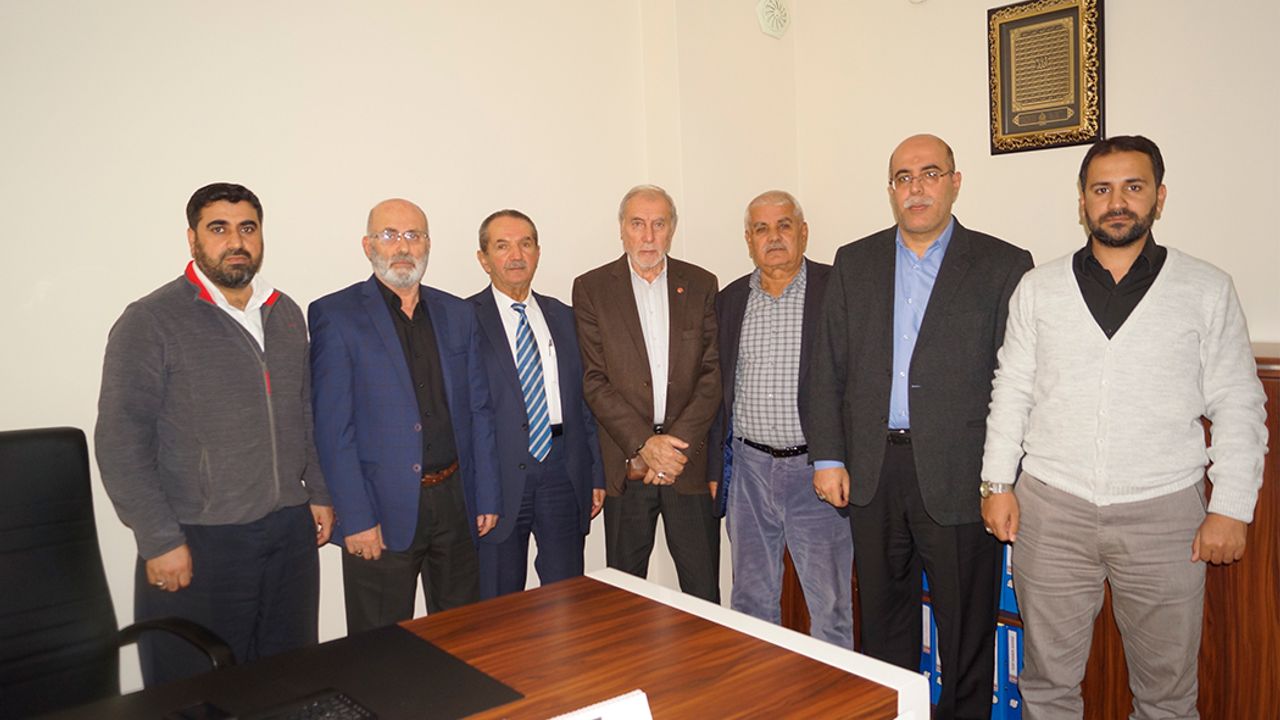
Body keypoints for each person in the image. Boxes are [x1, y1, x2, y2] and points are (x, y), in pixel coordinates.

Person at [980, 135, 1268, 719]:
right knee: (1046, 686)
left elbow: (1239, 401)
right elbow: (1011, 390)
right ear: (1082, 201)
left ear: (1159, 197)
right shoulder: (1039, 289)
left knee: (1167, 696)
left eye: (1133, 187)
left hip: (1164, 515)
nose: (1117, 202)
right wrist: (996, 483)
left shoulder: (1206, 289)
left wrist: (1231, 507)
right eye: (1101, 189)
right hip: (1051, 511)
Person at [805, 134, 1034, 719]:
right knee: (883, 629)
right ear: (891, 190)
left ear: (955, 182)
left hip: (961, 476)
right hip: (872, 473)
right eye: (903, 177)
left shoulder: (1003, 265)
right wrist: (828, 456)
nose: (916, 188)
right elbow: (825, 366)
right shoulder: (855, 262)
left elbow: (1020, 380)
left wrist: (1001, 479)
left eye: (930, 174)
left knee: (965, 632)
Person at [95, 182, 333, 686]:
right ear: (193, 238)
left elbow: (304, 411)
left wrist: (318, 492)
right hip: (200, 538)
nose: (236, 241)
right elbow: (121, 440)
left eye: (247, 228)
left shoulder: (285, 312)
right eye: (218, 229)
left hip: (288, 532)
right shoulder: (150, 320)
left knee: (288, 681)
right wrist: (158, 539)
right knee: (196, 691)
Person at [309, 198, 499, 633]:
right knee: (380, 647)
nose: (402, 247)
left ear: (427, 244)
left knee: (462, 635)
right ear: (368, 245)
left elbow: (479, 410)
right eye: (389, 235)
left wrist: (486, 495)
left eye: (413, 235)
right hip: (379, 509)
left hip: (455, 502)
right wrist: (355, 518)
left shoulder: (458, 314)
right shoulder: (335, 316)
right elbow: (333, 431)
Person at [711, 190, 852, 646]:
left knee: (830, 604)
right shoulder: (730, 299)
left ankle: (834, 690)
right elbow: (718, 390)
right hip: (749, 471)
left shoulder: (836, 289)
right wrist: (716, 469)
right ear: (748, 240)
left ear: (803, 233)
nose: (773, 237)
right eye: (761, 229)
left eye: (784, 225)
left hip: (816, 470)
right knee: (750, 600)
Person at [573, 184, 722, 602]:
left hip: (686, 463)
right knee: (624, 598)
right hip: (628, 463)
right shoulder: (591, 288)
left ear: (672, 228)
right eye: (638, 224)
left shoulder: (701, 283)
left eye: (659, 224)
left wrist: (672, 449)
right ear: (622, 228)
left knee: (703, 593)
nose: (649, 236)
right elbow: (594, 380)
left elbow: (711, 375)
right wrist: (645, 444)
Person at [468, 209, 605, 598]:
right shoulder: (464, 320)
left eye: (525, 244)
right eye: (502, 246)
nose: (516, 255)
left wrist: (595, 473)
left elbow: (584, 403)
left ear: (538, 252)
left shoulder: (564, 316)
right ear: (483, 259)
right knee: (498, 599)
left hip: (563, 470)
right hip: (498, 477)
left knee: (566, 596)